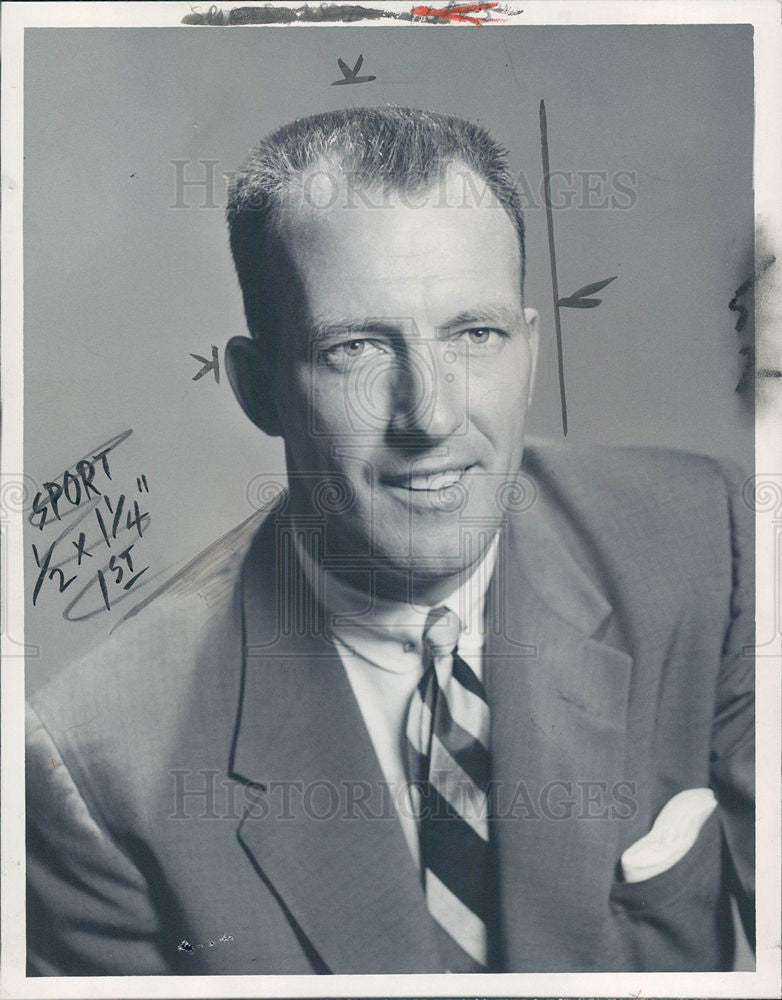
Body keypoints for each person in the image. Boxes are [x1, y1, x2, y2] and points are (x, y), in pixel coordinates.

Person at [26, 106, 754, 975]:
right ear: (259, 389)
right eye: (357, 348)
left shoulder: (712, 544)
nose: (433, 416)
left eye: (473, 335)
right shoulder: (96, 764)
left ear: (528, 351)